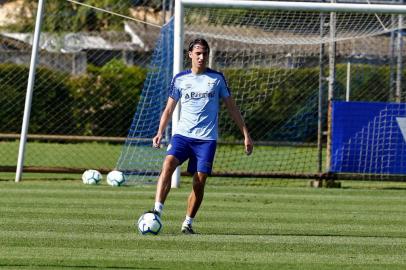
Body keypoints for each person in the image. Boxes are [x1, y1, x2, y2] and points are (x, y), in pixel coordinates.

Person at [150, 38, 253, 234]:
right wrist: (160, 131)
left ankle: (187, 223)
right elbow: (169, 108)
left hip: (206, 139)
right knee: (168, 164)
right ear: (190, 55)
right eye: (197, 53)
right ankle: (156, 212)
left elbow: (232, 108)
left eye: (204, 53)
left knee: (199, 181)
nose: (201, 57)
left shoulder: (217, 79)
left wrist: (246, 135)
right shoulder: (180, 79)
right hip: (182, 135)